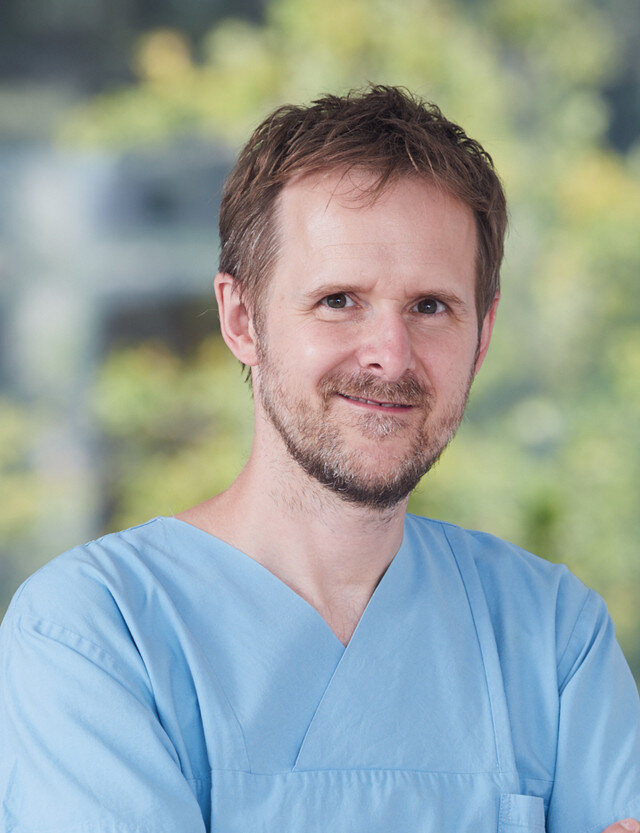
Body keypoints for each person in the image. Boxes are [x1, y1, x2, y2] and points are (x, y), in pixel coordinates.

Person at [0, 85, 639, 833]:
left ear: (483, 333)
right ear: (242, 319)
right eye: (339, 300)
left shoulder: (553, 635)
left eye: (431, 306)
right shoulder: (97, 631)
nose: (390, 355)